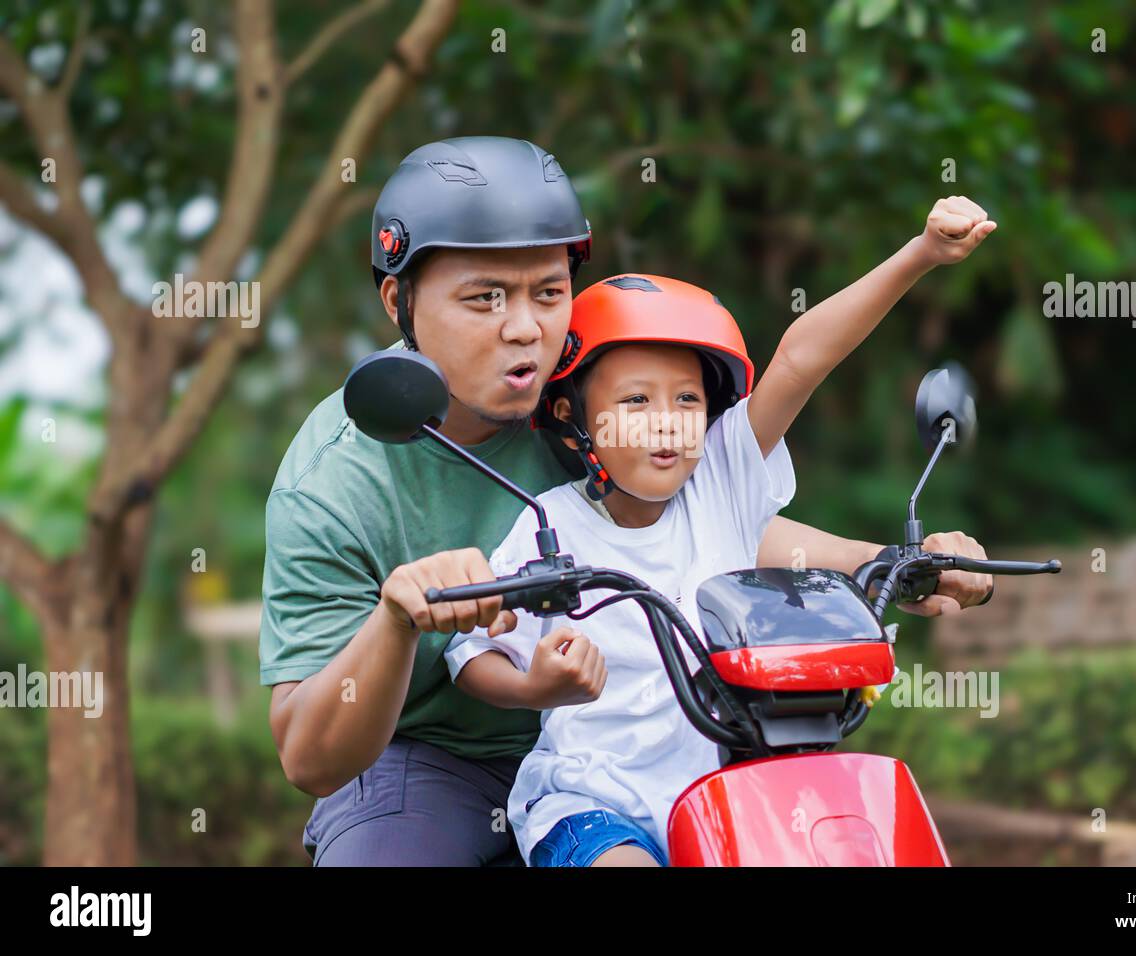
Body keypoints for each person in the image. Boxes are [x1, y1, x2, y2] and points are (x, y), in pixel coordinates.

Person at [259, 134, 994, 866]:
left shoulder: (598, 377)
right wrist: (397, 624)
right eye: (484, 297)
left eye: (548, 293)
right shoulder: (338, 478)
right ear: (400, 302)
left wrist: (898, 563)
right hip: (445, 760)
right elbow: (309, 753)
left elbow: (719, 524)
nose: (525, 328)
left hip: (667, 743)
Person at [439, 196, 997, 867]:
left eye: (687, 400)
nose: (667, 422)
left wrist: (922, 253)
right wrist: (533, 688)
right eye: (635, 400)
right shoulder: (548, 527)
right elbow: (471, 652)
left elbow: (799, 360)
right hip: (595, 806)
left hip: (735, 793)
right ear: (571, 415)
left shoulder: (722, 484)